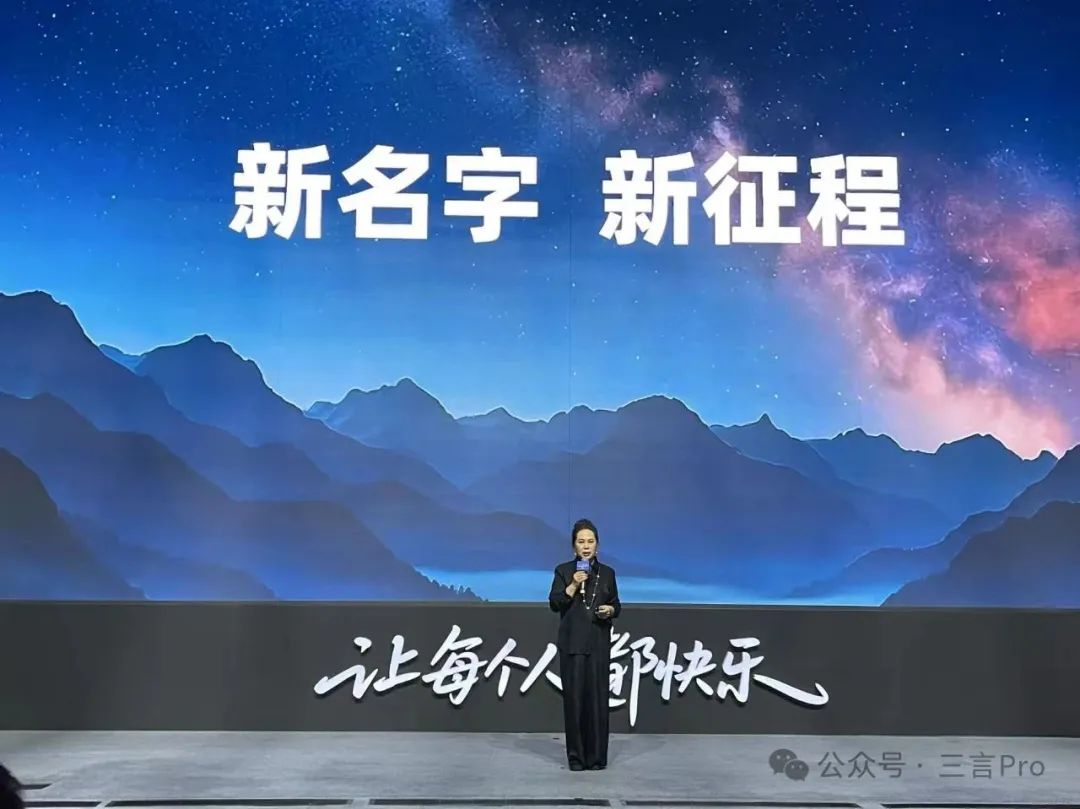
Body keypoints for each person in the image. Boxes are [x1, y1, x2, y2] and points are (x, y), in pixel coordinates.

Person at [548, 517, 621, 771]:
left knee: (598, 702)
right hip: (573, 645)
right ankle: (576, 757)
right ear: (574, 547)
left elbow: (617, 604)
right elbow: (554, 602)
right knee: (575, 702)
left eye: (590, 541)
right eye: (581, 542)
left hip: (599, 643)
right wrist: (573, 585)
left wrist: (610, 610)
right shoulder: (563, 571)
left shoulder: (608, 573)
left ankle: (597, 757)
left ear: (597, 545)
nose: (586, 546)